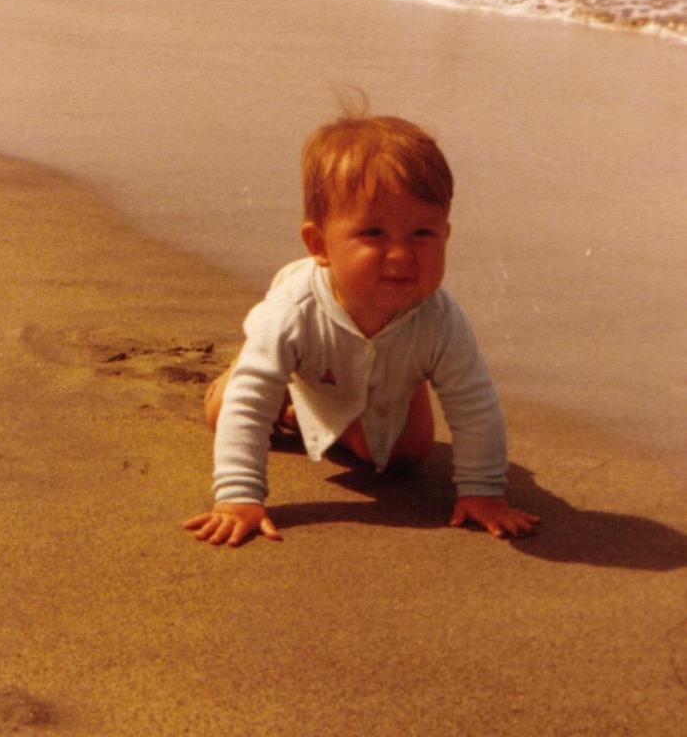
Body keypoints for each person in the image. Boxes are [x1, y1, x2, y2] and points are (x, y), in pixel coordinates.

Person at [184, 110, 540, 547]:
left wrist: (483, 491)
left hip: (387, 378)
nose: (401, 255)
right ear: (320, 245)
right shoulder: (295, 309)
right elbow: (249, 403)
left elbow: (474, 404)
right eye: (373, 233)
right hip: (309, 360)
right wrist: (239, 496)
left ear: (446, 235)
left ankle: (361, 398)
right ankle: (267, 371)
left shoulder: (441, 318)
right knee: (227, 409)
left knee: (404, 457)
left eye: (422, 234)